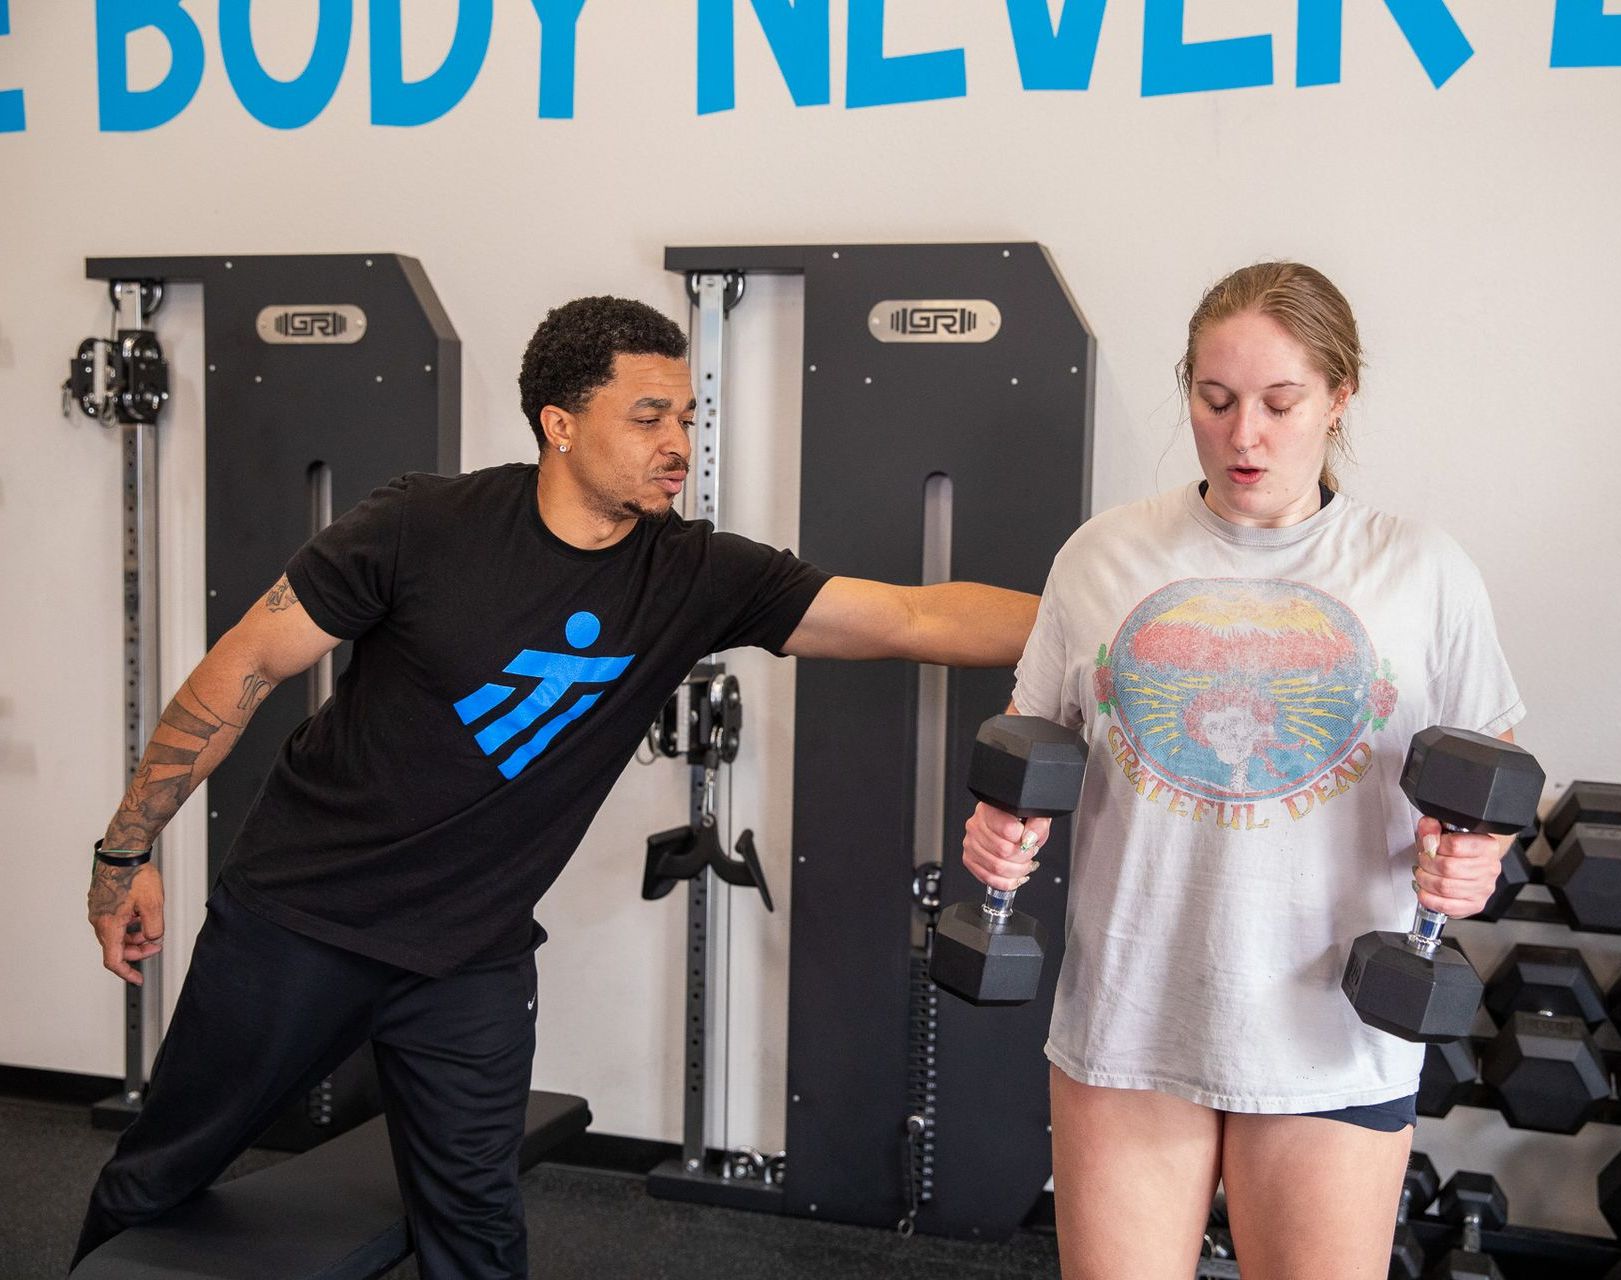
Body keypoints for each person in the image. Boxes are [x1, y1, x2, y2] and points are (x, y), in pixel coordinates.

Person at [75, 295, 1038, 1278]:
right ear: (560, 423)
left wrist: (1110, 622)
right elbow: (241, 669)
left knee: (478, 1227)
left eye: (689, 415)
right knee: (163, 1171)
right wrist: (126, 848)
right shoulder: (422, 525)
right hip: (297, 920)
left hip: (468, 955)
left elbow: (912, 618)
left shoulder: (692, 573)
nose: (679, 442)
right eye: (649, 416)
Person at [961, 263, 1522, 1280]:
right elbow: (1028, 738)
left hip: (1334, 1025)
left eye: (1279, 401)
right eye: (1214, 401)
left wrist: (1478, 857)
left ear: (1340, 395)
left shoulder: (1420, 569)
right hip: (1134, 1006)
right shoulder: (1103, 556)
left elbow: (1498, 770)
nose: (1243, 434)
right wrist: (1000, 830)